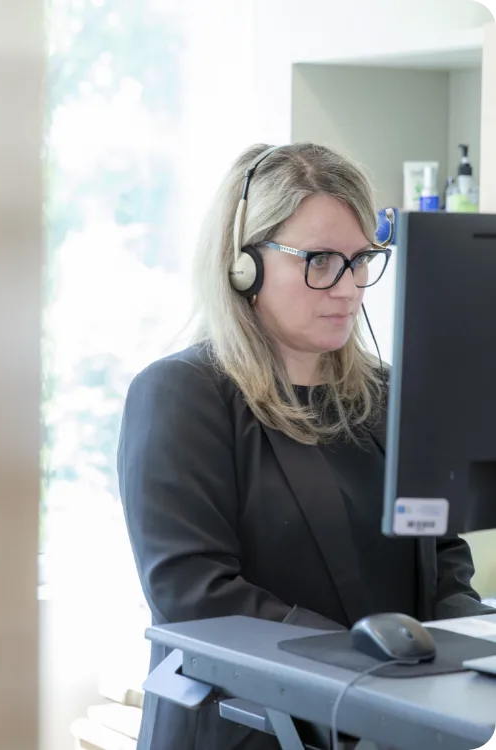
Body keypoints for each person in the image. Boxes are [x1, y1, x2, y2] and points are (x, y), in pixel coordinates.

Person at [117, 142, 493, 750]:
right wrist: (364, 671)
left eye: (363, 258)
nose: (348, 287)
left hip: (386, 721)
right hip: (248, 729)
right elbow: (196, 595)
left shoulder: (386, 394)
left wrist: (469, 643)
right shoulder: (183, 394)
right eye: (320, 260)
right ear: (245, 265)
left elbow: (442, 556)